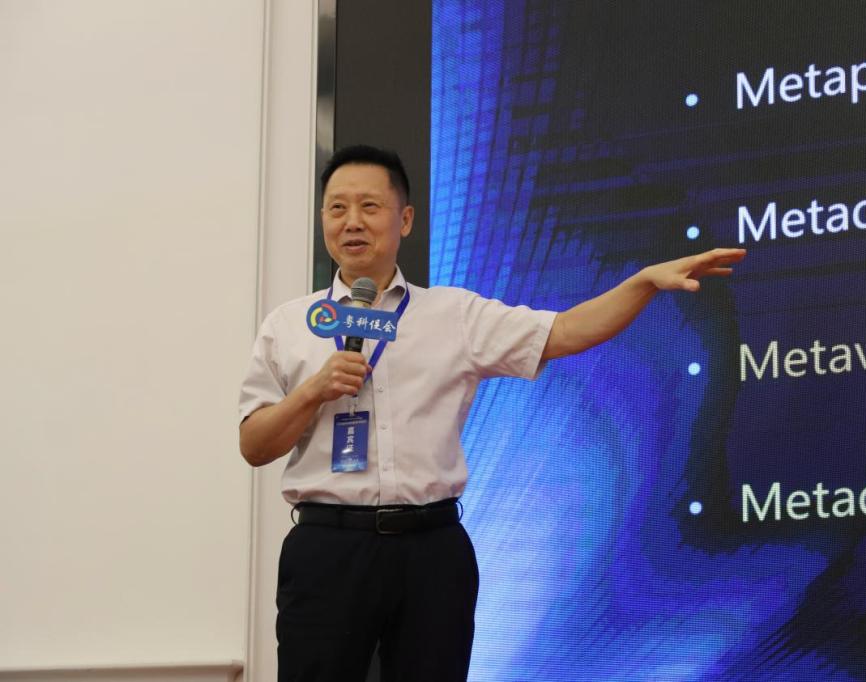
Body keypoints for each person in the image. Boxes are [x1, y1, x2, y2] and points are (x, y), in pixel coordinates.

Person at [238, 144, 746, 681]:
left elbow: (564, 332)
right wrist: (312, 392)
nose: (352, 222)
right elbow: (254, 445)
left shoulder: (452, 314)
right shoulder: (289, 325)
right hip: (328, 548)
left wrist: (641, 284)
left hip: (430, 549)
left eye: (369, 206)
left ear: (404, 219)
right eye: (337, 208)